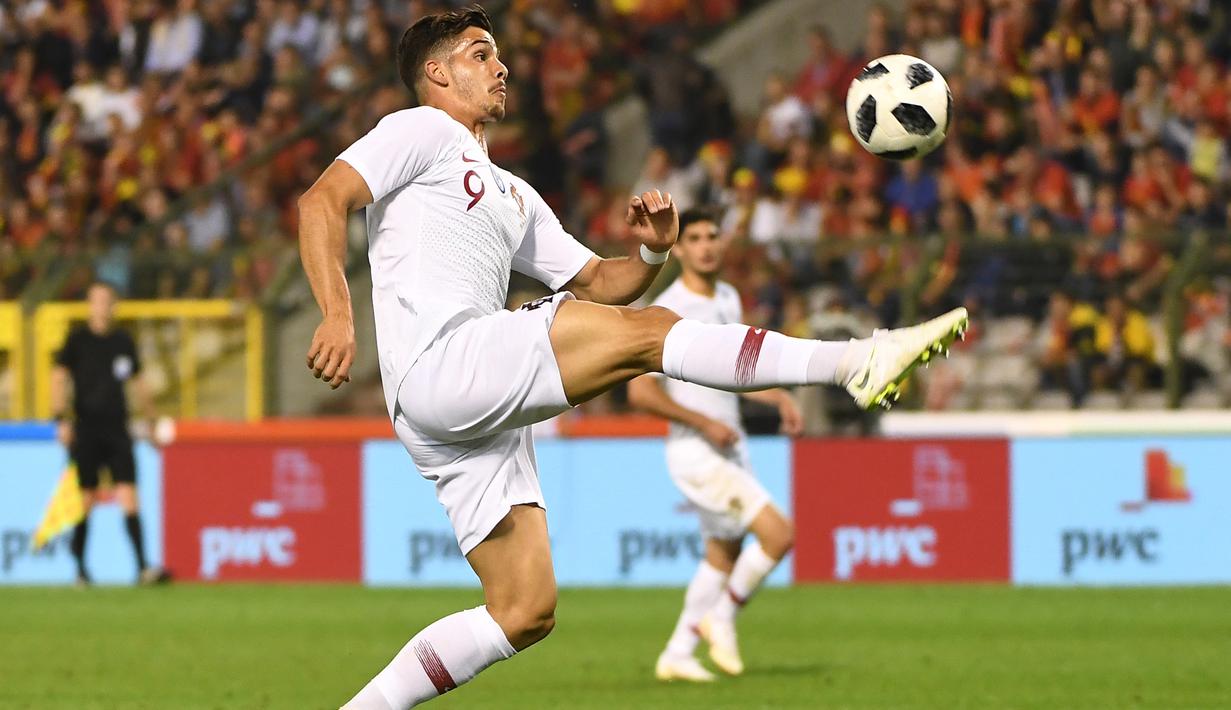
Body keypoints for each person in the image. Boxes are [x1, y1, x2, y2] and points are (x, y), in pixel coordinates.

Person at [297, 8, 967, 708]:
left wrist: (650, 253)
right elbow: (323, 202)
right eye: (480, 54)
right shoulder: (420, 129)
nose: (501, 67)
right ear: (436, 73)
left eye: (497, 54)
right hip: (446, 359)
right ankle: (854, 363)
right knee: (652, 333)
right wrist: (338, 314)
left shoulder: (512, 194)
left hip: (454, 408)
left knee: (524, 610)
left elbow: (598, 282)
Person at [626, 207, 801, 682]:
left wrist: (778, 395)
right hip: (697, 451)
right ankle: (720, 617)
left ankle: (677, 653)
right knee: (778, 535)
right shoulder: (668, 311)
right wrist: (702, 422)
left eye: (712, 236)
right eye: (695, 238)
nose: (706, 246)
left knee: (723, 554)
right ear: (679, 250)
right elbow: (640, 392)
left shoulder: (727, 297)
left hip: (729, 447)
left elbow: (736, 372)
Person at [50, 281, 168, 586]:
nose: (102, 306)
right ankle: (80, 571)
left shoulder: (122, 341)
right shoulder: (77, 340)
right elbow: (59, 377)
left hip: (117, 428)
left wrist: (151, 419)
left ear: (114, 305)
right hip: (86, 427)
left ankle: (142, 568)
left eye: (107, 300)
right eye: (97, 300)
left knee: (129, 494)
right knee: (85, 497)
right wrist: (60, 419)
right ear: (89, 305)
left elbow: (138, 381)